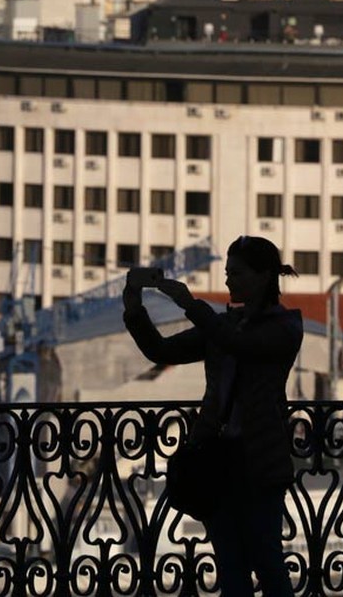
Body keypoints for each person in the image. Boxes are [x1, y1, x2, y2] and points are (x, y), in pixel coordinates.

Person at [122, 237, 302, 596]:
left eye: (236, 273)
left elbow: (244, 347)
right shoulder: (224, 325)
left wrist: (191, 305)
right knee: (231, 562)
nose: (228, 282)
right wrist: (133, 306)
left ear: (264, 276)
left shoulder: (285, 326)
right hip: (219, 457)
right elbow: (162, 350)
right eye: (227, 273)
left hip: (260, 458)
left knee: (267, 559)